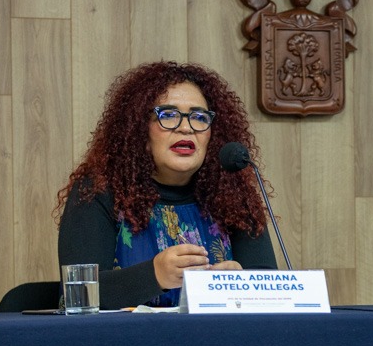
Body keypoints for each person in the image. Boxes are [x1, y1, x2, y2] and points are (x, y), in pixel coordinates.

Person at [57, 61, 277, 309]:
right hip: (125, 343)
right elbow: (79, 296)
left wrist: (242, 284)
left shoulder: (233, 195)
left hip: (215, 341)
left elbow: (271, 290)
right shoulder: (98, 191)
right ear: (140, 130)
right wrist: (155, 275)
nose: (186, 127)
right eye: (169, 115)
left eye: (199, 117)